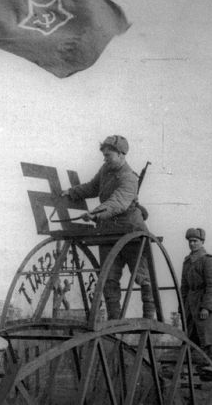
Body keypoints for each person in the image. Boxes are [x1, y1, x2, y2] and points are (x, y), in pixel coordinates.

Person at [62, 135, 155, 320]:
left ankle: (149, 316)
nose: (105, 158)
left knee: (141, 275)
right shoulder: (106, 169)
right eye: (104, 155)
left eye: (108, 155)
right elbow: (92, 187)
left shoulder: (129, 178)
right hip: (108, 230)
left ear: (121, 155)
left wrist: (95, 213)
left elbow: (117, 202)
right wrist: (71, 192)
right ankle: (114, 319)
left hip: (131, 230)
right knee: (109, 276)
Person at [181, 227, 212, 378]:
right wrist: (182, 306)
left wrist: (206, 307)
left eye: (195, 241)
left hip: (206, 303)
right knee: (190, 336)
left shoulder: (209, 261)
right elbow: (184, 287)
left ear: (202, 242)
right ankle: (187, 368)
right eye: (190, 241)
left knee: (209, 336)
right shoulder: (187, 262)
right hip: (191, 304)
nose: (192, 244)